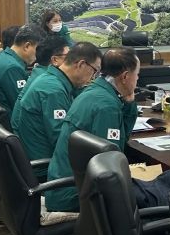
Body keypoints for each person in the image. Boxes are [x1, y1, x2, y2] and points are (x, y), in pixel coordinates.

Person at [46, 47, 170, 212]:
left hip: (68, 187)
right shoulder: (107, 106)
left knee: (162, 182)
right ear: (125, 76)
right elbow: (112, 162)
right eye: (137, 74)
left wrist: (129, 103)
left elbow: (121, 137)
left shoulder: (95, 91)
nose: (137, 79)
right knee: (168, 191)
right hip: (78, 195)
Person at [12, 43, 102, 178]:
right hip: (45, 170)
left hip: (35, 160)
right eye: (94, 71)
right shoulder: (54, 92)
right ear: (81, 64)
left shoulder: (50, 78)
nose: (93, 77)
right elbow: (62, 141)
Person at [11, 35, 70, 130]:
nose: (73, 60)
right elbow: (58, 133)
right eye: (69, 56)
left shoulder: (40, 72)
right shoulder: (51, 86)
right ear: (55, 60)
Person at [0, 24, 44, 116]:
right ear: (27, 46)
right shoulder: (12, 68)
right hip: (8, 120)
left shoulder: (3, 55)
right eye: (37, 49)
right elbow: (23, 106)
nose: (38, 54)